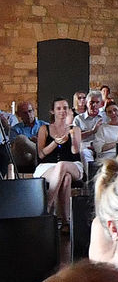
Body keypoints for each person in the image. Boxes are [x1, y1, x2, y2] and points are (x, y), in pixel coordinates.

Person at [34, 96, 82, 227]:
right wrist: (55, 142)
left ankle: (47, 206)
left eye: (65, 108)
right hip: (48, 165)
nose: (62, 111)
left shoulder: (75, 129)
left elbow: (75, 152)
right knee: (65, 178)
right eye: (59, 108)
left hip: (72, 164)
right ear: (52, 111)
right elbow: (41, 154)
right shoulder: (44, 129)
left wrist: (71, 135)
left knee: (62, 166)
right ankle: (66, 221)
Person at [74, 89, 105, 163]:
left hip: (102, 146)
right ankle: (90, 173)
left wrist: (97, 147)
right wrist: (92, 131)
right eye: (91, 102)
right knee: (85, 153)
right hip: (86, 146)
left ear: (101, 104)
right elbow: (76, 137)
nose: (94, 105)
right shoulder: (78, 119)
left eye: (97, 102)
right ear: (86, 103)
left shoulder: (106, 117)